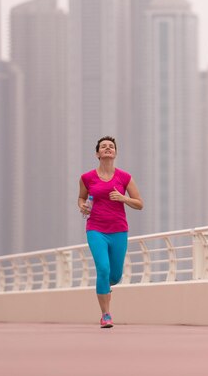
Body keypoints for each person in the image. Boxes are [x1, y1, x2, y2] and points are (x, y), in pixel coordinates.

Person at [78, 136, 143, 328]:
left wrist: (123, 198)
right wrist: (83, 207)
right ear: (97, 154)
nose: (107, 149)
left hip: (118, 230)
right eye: (103, 147)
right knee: (103, 269)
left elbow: (139, 204)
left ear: (115, 153)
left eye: (111, 147)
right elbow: (81, 199)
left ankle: (107, 285)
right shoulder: (87, 178)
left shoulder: (124, 177)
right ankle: (106, 315)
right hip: (96, 229)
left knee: (114, 275)